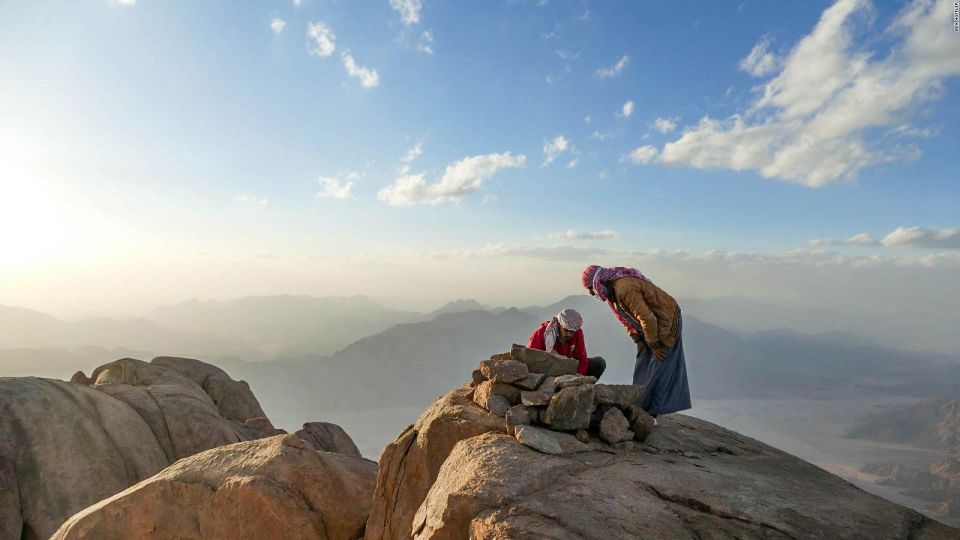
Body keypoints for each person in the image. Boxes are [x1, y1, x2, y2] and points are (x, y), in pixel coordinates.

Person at [582, 265, 690, 422]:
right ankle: (637, 406)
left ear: (600, 281)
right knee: (643, 362)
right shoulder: (612, 293)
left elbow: (647, 318)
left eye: (591, 288)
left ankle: (650, 414)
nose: (592, 293)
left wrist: (654, 346)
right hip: (649, 327)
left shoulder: (624, 289)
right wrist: (638, 339)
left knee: (659, 365)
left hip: (667, 320)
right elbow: (624, 318)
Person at [527, 308, 606, 377]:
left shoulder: (578, 333)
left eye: (572, 332)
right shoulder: (543, 333)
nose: (569, 334)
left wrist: (579, 374)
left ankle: (585, 389)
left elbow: (581, 358)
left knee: (599, 363)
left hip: (566, 368)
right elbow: (531, 357)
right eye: (566, 330)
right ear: (560, 325)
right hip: (546, 370)